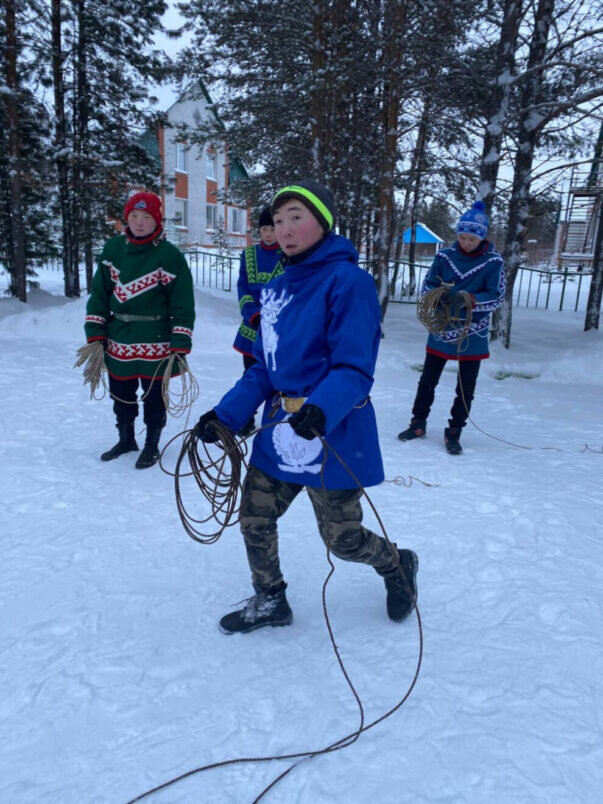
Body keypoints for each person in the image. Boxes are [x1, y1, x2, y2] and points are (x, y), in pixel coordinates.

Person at [195, 179, 418, 634]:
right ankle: (271, 599)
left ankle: (397, 564)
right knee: (254, 518)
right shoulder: (275, 287)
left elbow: (355, 368)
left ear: (322, 222)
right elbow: (263, 367)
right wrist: (227, 414)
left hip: (332, 430)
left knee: (343, 540)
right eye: (279, 221)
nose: (285, 229)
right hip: (281, 431)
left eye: (296, 217)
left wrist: (320, 409)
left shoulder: (349, 282)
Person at [84, 191, 195, 469]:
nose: (139, 222)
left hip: (156, 340)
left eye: (146, 217)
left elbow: (182, 302)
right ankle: (126, 439)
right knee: (121, 392)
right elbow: (99, 294)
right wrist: (96, 331)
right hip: (119, 338)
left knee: (154, 395)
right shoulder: (113, 250)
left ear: (156, 220)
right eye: (134, 215)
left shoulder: (169, 257)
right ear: (127, 218)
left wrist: (180, 340)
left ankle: (152, 444)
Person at [398, 200, 505, 455]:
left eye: (471, 238)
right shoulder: (444, 256)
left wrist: (470, 299)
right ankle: (417, 423)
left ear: (481, 236)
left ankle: (455, 430)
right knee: (427, 381)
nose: (466, 242)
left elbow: (497, 296)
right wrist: (438, 294)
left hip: (472, 332)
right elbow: (428, 285)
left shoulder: (493, 262)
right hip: (441, 327)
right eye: (462, 236)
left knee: (465, 387)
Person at [232, 206, 283, 435]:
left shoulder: (289, 255)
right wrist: (252, 313)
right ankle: (246, 415)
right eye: (265, 228)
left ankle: (274, 417)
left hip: (280, 329)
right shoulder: (249, 255)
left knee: (276, 376)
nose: (269, 233)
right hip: (252, 329)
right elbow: (242, 287)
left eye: (273, 228)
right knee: (250, 375)